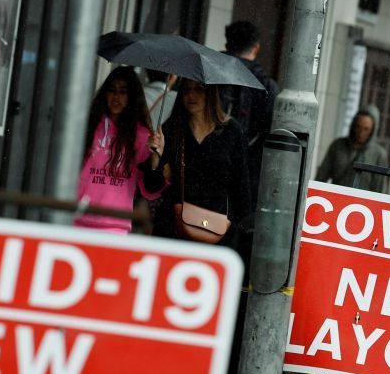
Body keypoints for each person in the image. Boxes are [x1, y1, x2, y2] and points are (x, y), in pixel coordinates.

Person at [151, 78, 251, 247]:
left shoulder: (231, 131)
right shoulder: (172, 129)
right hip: (173, 227)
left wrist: (239, 229)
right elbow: (153, 185)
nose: (191, 95)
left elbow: (241, 188)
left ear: (211, 93)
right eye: (186, 89)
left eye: (198, 89)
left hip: (218, 229)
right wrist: (155, 155)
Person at [75, 66, 166, 234]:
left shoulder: (142, 136)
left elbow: (151, 189)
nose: (116, 97)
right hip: (77, 220)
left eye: (123, 92)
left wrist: (156, 156)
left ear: (132, 97)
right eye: (112, 90)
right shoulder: (88, 126)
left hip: (115, 226)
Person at [218, 21, 280, 199]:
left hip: (205, 166)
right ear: (256, 48)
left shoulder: (210, 74)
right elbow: (271, 133)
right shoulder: (267, 86)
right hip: (247, 173)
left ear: (227, 45)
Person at [315, 105, 390, 193]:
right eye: (358, 127)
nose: (361, 133)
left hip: (362, 200)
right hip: (336, 196)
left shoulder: (379, 155)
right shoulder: (338, 145)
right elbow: (320, 178)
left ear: (372, 131)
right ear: (353, 126)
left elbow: (380, 190)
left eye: (366, 129)